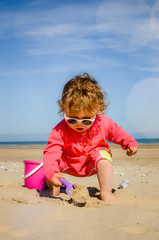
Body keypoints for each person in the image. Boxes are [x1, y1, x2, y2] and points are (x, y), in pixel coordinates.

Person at [43, 73, 138, 201]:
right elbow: (51, 152)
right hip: (69, 163)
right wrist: (51, 174)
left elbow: (117, 132)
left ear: (96, 111)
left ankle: (106, 193)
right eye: (72, 119)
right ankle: (53, 191)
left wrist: (129, 143)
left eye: (87, 120)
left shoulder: (103, 122)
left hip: (92, 161)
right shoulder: (60, 130)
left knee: (104, 157)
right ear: (64, 110)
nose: (79, 124)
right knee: (50, 164)